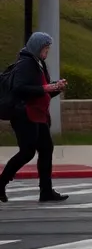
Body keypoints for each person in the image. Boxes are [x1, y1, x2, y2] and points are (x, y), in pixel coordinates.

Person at [0, 32, 68, 203]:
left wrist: (56, 88)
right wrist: (46, 88)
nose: (47, 52)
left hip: (38, 114)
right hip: (24, 114)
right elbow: (19, 89)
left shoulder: (39, 63)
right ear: (37, 47)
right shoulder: (25, 64)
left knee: (46, 149)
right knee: (27, 152)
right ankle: (1, 183)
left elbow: (42, 91)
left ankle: (46, 191)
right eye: (45, 48)